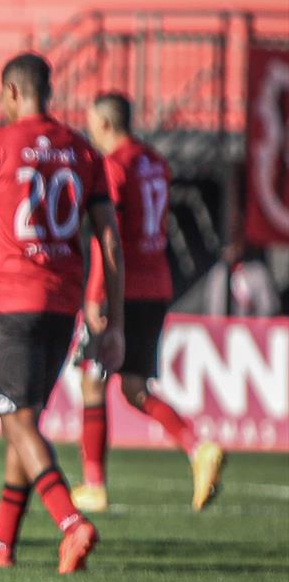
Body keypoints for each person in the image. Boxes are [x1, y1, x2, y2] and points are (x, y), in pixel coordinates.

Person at [0, 53, 124, 574]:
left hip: (13, 298)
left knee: (14, 416)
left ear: (11, 92)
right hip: (63, 302)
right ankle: (1, 543)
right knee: (24, 420)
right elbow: (109, 241)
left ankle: (70, 522)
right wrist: (114, 316)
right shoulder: (82, 150)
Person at [73, 93, 225, 513]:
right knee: (135, 386)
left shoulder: (114, 166)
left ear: (104, 124)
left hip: (123, 287)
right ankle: (198, 447)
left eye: (90, 123)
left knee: (91, 379)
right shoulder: (155, 161)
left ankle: (94, 484)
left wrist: (95, 294)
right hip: (157, 284)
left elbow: (110, 239)